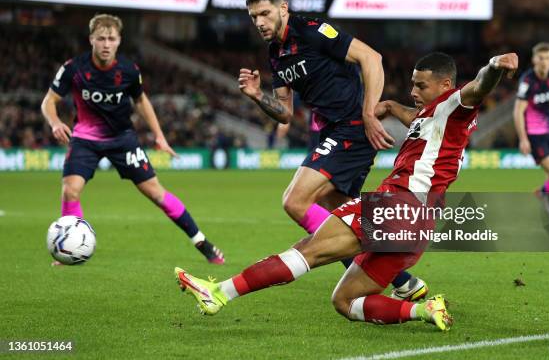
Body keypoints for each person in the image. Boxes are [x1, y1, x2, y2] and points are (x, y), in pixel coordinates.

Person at [175, 52, 519, 330]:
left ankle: (218, 292)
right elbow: (415, 116)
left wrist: (494, 66)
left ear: (446, 85)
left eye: (421, 85)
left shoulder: (455, 104)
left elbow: (478, 88)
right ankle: (425, 310)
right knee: (344, 302)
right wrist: (387, 108)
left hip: (399, 205)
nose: (413, 90)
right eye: (412, 84)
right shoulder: (435, 116)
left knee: (308, 250)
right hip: (420, 223)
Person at [237, 0, 425, 300]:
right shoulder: (276, 54)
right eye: (254, 17)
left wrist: (368, 113)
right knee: (340, 214)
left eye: (265, 14)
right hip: (331, 131)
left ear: (283, 8)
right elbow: (284, 113)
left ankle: (392, 269)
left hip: (351, 127)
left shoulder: (311, 29)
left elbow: (372, 58)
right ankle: (403, 280)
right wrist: (256, 96)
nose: (259, 23)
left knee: (296, 201)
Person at [41, 14, 224, 264]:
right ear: (91, 40)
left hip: (122, 139)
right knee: (70, 190)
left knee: (156, 194)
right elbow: (49, 101)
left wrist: (159, 135)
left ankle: (202, 242)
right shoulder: (74, 68)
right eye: (101, 38)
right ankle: (67, 252)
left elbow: (141, 101)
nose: (106, 44)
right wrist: (54, 122)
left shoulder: (128, 70)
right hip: (85, 138)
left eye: (111, 39)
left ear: (119, 41)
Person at [513, 42, 549, 223]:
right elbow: (518, 111)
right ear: (534, 60)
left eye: (548, 58)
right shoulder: (527, 81)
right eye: (541, 58)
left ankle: (544, 191)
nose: (544, 62)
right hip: (534, 135)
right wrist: (523, 139)